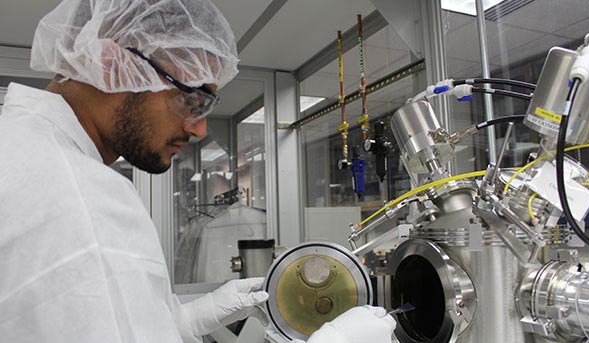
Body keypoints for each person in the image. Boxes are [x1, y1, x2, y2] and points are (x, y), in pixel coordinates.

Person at [0, 0, 396, 342]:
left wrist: (193, 317)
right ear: (111, 64)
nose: (199, 127)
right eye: (192, 99)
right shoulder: (80, 198)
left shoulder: (20, 147)